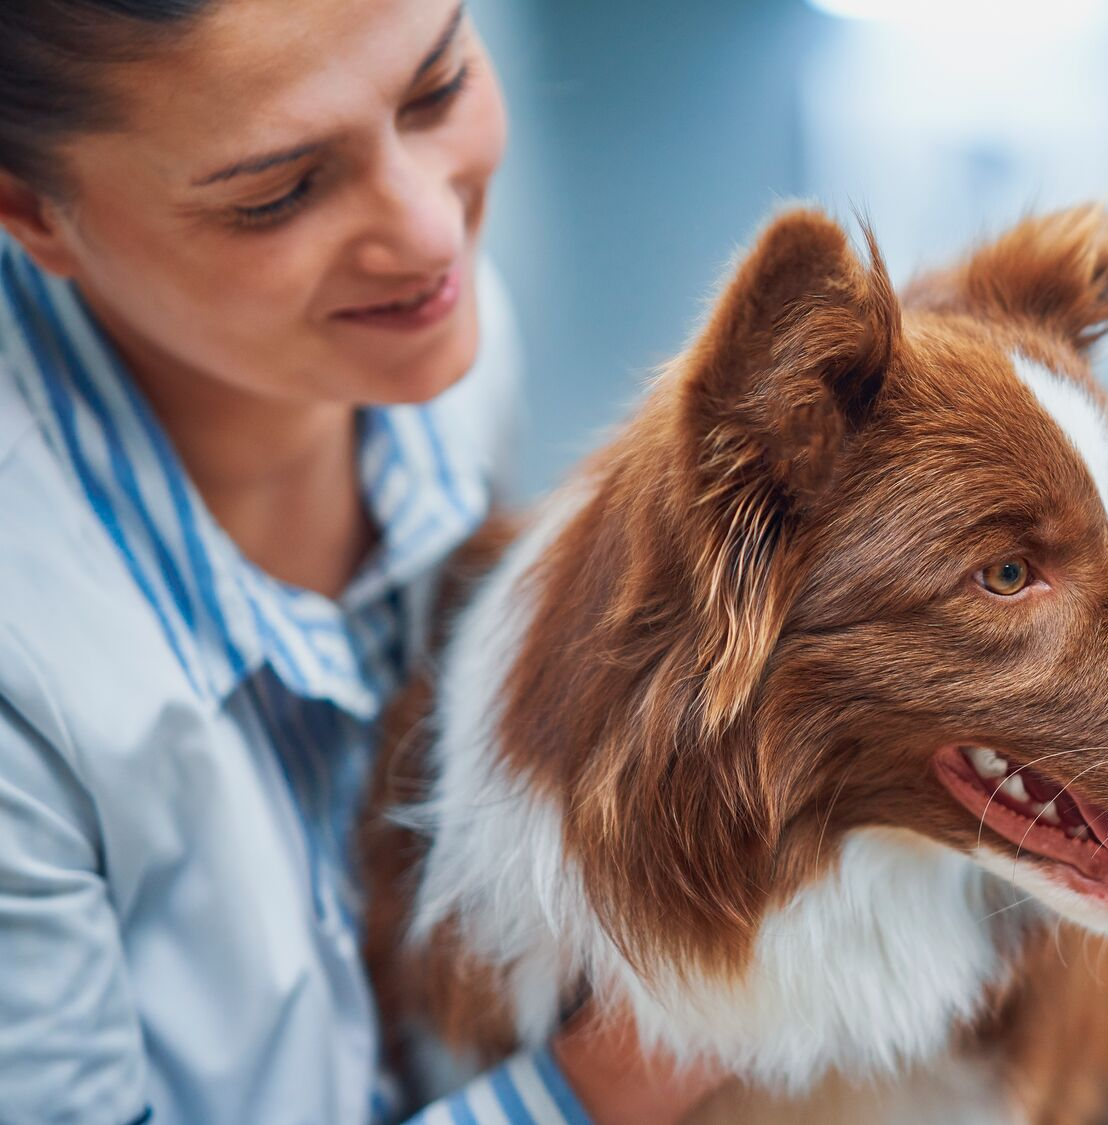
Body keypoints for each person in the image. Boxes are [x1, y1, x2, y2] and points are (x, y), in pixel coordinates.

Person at [0, 1, 721, 1121]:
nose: (432, 234)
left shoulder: (437, 353)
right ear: (30, 210)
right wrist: (611, 1079)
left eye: (436, 88)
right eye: (277, 193)